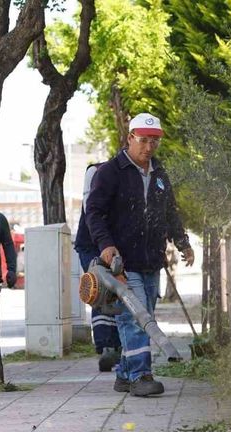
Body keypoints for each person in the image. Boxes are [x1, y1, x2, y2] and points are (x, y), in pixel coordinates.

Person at [85, 112, 195, 397]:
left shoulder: (158, 174)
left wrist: (183, 243)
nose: (149, 147)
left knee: (145, 316)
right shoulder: (110, 172)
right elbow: (94, 212)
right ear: (130, 138)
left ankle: (124, 374)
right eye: (143, 140)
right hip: (122, 261)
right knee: (135, 318)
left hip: (150, 260)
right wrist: (106, 246)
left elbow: (170, 212)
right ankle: (140, 376)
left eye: (154, 142)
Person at [74, 163, 121, 372]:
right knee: (100, 291)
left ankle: (116, 346)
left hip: (115, 244)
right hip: (92, 244)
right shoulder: (95, 172)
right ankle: (105, 346)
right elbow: (90, 209)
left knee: (118, 292)